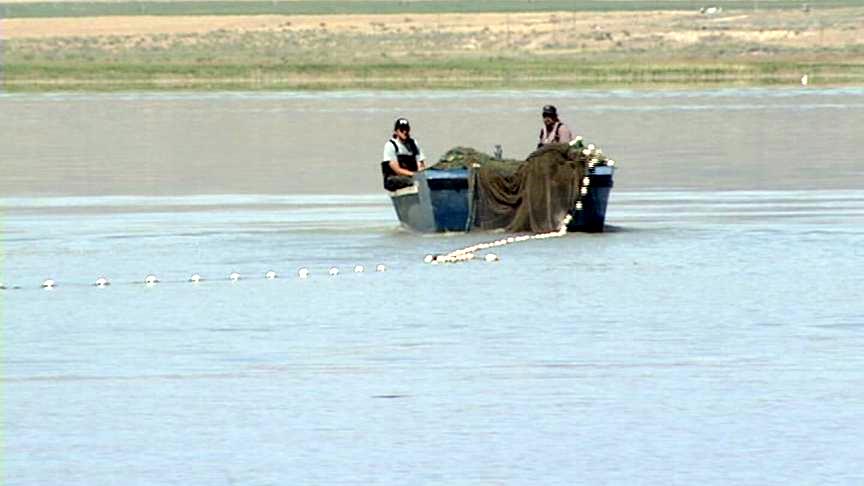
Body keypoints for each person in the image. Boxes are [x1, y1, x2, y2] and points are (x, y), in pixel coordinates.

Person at [381, 117, 427, 191]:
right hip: (394, 178)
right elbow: (396, 169)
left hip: (412, 176)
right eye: (402, 130)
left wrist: (421, 173)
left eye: (407, 129)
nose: (405, 132)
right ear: (396, 131)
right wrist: (414, 175)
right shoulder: (390, 145)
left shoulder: (414, 144)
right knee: (412, 182)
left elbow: (420, 164)